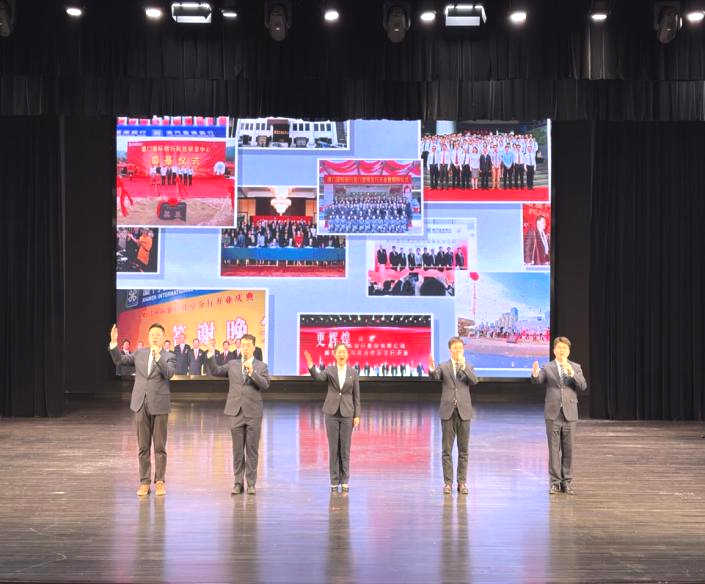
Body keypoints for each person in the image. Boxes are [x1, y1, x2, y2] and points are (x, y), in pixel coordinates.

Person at [109, 323, 176, 497]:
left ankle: (160, 482)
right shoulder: (139, 353)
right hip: (140, 403)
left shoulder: (169, 356)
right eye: (152, 333)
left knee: (160, 447)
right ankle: (144, 482)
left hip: (160, 405)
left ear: (163, 337)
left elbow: (169, 374)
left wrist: (158, 357)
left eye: (158, 334)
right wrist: (114, 344)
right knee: (143, 446)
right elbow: (120, 360)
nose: (155, 336)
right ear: (148, 336)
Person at [205, 334, 270, 495]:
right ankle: (238, 482)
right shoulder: (232, 364)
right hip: (235, 412)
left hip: (253, 412)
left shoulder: (261, 366)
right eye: (243, 345)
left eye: (248, 345)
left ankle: (251, 484)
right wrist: (211, 354)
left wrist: (252, 372)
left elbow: (265, 385)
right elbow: (216, 371)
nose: (245, 348)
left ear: (254, 347)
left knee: (252, 450)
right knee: (237, 450)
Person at [531, 336, 587, 495]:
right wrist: (534, 374)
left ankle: (566, 482)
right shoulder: (547, 367)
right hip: (553, 413)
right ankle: (555, 482)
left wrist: (572, 373)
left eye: (564, 348)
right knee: (554, 449)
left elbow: (583, 385)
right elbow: (538, 380)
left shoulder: (575, 367)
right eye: (559, 348)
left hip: (570, 413)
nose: (562, 350)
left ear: (568, 351)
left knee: (568, 449)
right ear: (554, 350)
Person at [304, 344, 361, 493]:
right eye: (339, 352)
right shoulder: (329, 370)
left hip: (347, 413)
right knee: (333, 448)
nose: (341, 355)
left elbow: (356, 396)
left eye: (344, 352)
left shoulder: (353, 372)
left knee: (345, 449)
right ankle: (334, 481)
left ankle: (345, 480)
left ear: (347, 355)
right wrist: (311, 366)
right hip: (331, 414)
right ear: (335, 355)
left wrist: (357, 415)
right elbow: (318, 377)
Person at [429, 337, 478, 495]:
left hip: (464, 412)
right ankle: (448, 483)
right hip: (448, 412)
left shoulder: (467, 366)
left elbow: (474, 381)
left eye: (461, 348)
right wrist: (431, 369)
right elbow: (435, 376)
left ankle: (462, 483)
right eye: (456, 348)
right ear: (450, 350)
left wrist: (464, 368)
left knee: (463, 450)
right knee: (447, 450)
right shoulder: (444, 366)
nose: (458, 351)